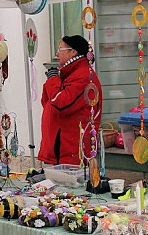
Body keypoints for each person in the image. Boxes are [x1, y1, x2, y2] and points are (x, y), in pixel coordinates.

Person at [39, 35, 103, 166]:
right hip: (61, 152)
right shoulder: (68, 74)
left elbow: (60, 105)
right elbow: (47, 102)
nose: (57, 54)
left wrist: (52, 80)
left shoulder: (83, 76)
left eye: (60, 49)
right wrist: (54, 81)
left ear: (73, 51)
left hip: (72, 155)